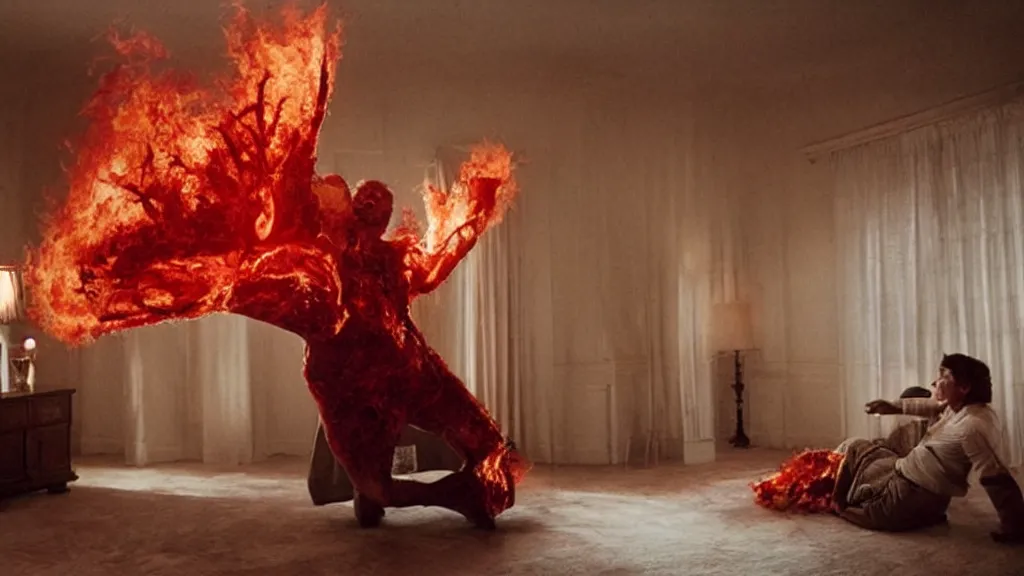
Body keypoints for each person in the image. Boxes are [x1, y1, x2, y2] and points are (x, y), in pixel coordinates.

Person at [832, 353, 1024, 543]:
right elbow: (930, 406)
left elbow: (995, 476)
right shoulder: (961, 407)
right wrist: (892, 407)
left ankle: (836, 503)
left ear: (964, 387)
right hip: (921, 493)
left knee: (854, 450)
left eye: (943, 377)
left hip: (903, 496)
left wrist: (1014, 525)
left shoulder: (973, 426)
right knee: (867, 450)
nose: (935, 382)